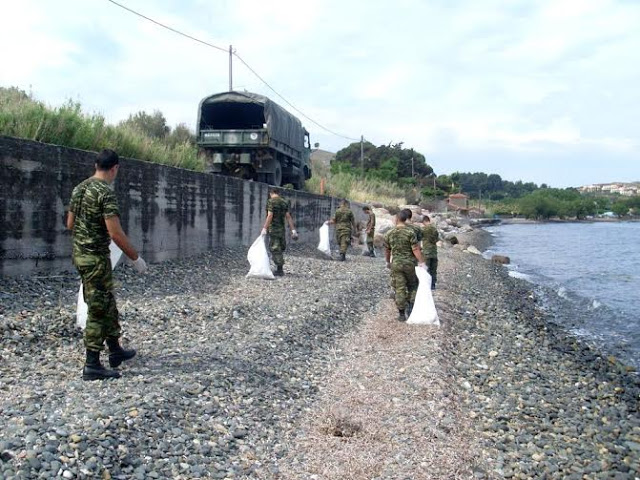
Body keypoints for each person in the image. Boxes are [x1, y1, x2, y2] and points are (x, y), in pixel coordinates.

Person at [67, 149, 147, 381]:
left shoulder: (79, 188)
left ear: (95, 165)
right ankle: (92, 364)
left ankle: (115, 350)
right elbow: (116, 233)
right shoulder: (105, 193)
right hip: (96, 259)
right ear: (115, 169)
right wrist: (135, 258)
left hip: (80, 255)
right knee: (98, 309)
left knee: (106, 300)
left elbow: (70, 223)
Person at [384, 210, 426, 321]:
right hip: (410, 264)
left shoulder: (389, 233)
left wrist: (388, 262)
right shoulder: (410, 232)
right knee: (412, 285)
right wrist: (421, 262)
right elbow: (416, 249)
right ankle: (411, 309)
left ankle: (402, 314)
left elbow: (387, 250)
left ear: (397, 219)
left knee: (399, 287)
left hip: (396, 264)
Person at [261, 188, 298, 276]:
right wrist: (293, 230)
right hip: (282, 229)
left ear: (271, 193)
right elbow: (288, 216)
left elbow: (270, 215)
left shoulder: (271, 201)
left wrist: (264, 228)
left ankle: (279, 270)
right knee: (280, 247)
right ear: (279, 193)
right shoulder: (284, 202)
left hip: (274, 228)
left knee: (275, 248)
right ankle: (279, 268)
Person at [421, 215, 439, 290]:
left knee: (426, 269)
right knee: (433, 269)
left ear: (424, 221)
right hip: (434, 252)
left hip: (426, 252)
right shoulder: (434, 229)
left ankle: (426, 284)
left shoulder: (423, 229)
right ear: (429, 220)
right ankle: (433, 285)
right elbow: (437, 239)